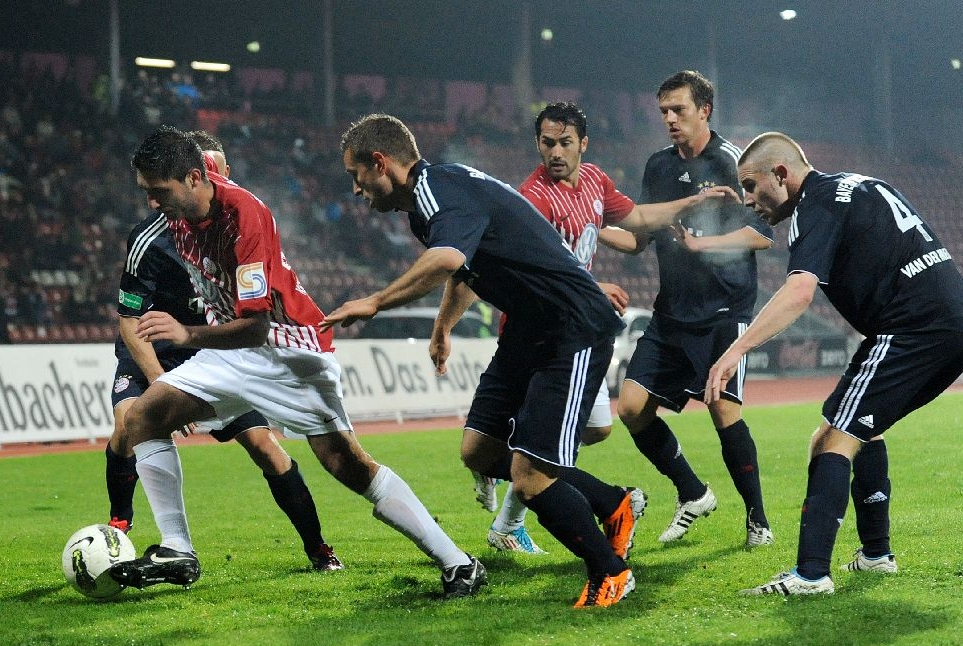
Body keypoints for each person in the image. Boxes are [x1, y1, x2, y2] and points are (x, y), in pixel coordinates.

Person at [326, 114, 728, 607]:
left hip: (570, 328)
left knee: (531, 478)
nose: (355, 188)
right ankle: (611, 502)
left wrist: (374, 301)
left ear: (380, 162)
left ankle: (611, 572)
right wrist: (442, 327)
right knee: (479, 450)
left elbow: (449, 258)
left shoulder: (436, 190)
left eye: (355, 174)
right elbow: (466, 268)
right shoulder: (431, 196)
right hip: (529, 329)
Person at [110, 125, 485, 600]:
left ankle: (458, 563)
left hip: (291, 348)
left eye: (158, 192)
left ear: (191, 178)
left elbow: (256, 326)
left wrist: (186, 333)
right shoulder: (174, 219)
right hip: (233, 353)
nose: (151, 203)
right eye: (145, 193)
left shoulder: (244, 214)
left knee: (345, 464)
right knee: (144, 416)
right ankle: (177, 549)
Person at [706, 132, 963, 595]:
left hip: (913, 330)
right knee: (863, 428)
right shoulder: (861, 184)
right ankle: (876, 556)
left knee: (830, 440)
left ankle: (810, 574)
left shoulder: (815, 207)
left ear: (781, 175)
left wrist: (734, 351)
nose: (747, 200)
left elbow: (799, 291)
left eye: (750, 185)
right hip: (943, 322)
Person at [105, 130, 342, 572]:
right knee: (129, 425)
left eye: (219, 170)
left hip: (214, 348)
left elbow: (257, 307)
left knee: (266, 448)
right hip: (157, 346)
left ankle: (319, 549)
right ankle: (120, 527)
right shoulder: (154, 237)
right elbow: (129, 318)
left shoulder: (237, 221)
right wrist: (161, 381)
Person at [477, 101, 654, 555]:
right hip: (540, 336)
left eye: (564, 142)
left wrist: (679, 214)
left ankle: (506, 473)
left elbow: (631, 231)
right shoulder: (533, 198)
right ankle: (518, 516)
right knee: (541, 449)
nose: (555, 151)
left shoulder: (593, 181)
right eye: (547, 143)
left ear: (583, 144)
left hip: (578, 330)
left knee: (594, 429)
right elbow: (541, 268)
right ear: (537, 144)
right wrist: (596, 286)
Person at [615, 70, 775, 547]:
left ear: (704, 110)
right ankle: (692, 491)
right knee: (631, 408)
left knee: (722, 410)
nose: (669, 119)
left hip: (725, 311)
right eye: (663, 110)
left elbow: (762, 234)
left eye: (678, 110)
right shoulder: (657, 167)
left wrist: (703, 245)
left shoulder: (732, 161)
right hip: (671, 311)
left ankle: (758, 522)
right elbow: (639, 237)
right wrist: (585, 226)